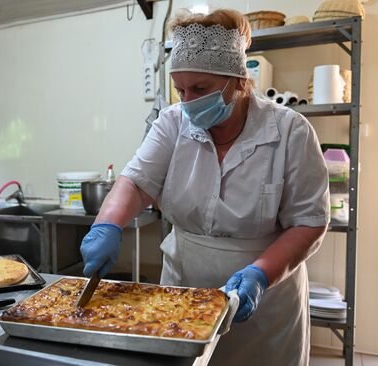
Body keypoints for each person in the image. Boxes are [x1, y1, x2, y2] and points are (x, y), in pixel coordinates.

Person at [80, 9, 329, 366]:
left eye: (201, 89)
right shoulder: (172, 122)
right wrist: (107, 224)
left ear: (239, 80)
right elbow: (136, 182)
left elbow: (309, 222)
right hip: (184, 290)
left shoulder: (291, 132)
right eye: (180, 89)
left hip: (266, 301)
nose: (188, 101)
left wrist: (261, 274)